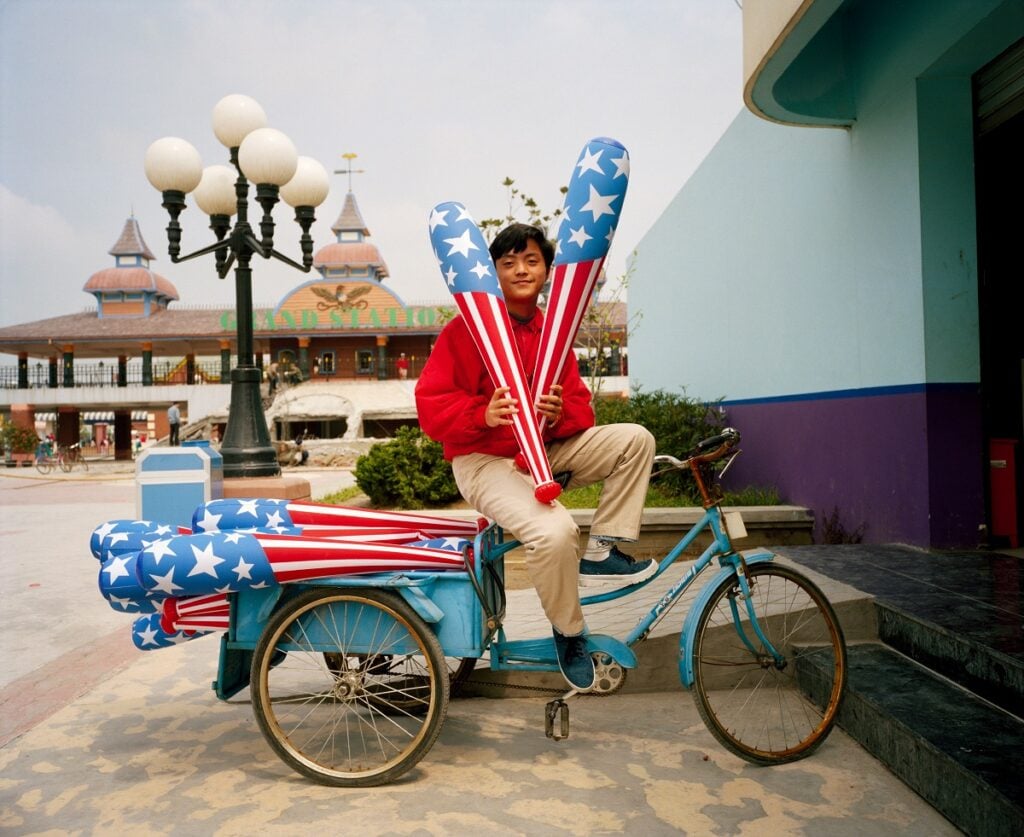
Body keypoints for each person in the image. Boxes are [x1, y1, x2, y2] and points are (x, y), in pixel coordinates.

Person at [415, 223, 656, 692]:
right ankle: (569, 633)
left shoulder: (555, 329)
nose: (521, 270)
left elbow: (582, 408)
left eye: (531, 261)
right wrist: (480, 414)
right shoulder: (465, 329)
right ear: (492, 272)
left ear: (548, 270)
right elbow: (430, 404)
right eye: (508, 263)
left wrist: (562, 412)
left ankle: (605, 548)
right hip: (484, 460)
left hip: (544, 449)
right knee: (556, 531)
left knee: (635, 439)